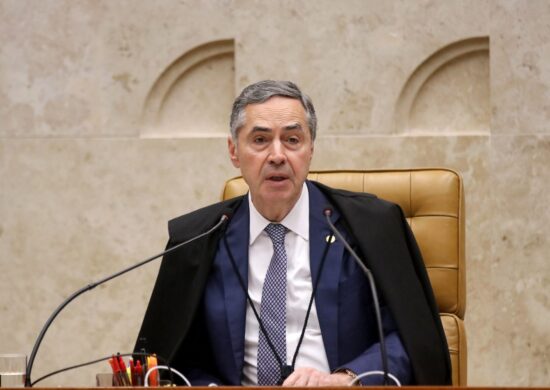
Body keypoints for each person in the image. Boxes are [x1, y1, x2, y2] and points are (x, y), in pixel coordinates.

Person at [134, 80, 451, 386]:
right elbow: (168, 360)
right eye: (260, 140)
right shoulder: (198, 240)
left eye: (292, 140)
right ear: (234, 151)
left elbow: (410, 337)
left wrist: (347, 379)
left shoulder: (369, 229)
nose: (277, 155)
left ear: (311, 148)